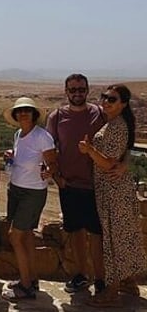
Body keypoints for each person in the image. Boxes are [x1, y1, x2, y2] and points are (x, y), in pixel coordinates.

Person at [79, 85, 147, 306]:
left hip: (113, 191)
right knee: (122, 237)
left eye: (112, 99)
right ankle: (128, 282)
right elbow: (123, 154)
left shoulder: (117, 126)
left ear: (123, 104)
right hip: (114, 189)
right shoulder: (116, 123)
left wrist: (89, 150)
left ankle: (112, 292)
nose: (106, 101)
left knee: (113, 240)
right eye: (104, 97)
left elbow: (108, 164)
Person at [47, 73, 106, 295]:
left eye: (81, 89)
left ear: (88, 90)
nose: (77, 93)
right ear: (66, 92)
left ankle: (100, 279)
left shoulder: (99, 113)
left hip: (96, 186)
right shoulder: (57, 117)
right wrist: (57, 178)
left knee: (97, 235)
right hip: (69, 186)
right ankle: (81, 275)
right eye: (73, 90)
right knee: (76, 233)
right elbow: (49, 149)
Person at [1, 97, 56, 302]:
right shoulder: (18, 134)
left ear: (34, 114)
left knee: (15, 237)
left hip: (32, 192)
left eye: (27, 110)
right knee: (26, 237)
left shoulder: (42, 136)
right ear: (15, 115)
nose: (23, 113)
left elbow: (53, 162)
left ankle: (25, 287)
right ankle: (31, 279)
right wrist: (12, 156)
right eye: (20, 110)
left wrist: (49, 171)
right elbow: (24, 157)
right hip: (16, 189)